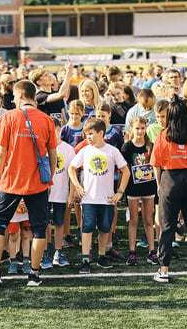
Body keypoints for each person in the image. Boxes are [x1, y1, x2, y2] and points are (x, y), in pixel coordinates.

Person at [0, 80, 57, 287]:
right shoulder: (46, 120)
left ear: (21, 96)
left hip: (10, 180)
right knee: (39, 228)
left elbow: (1, 151)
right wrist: (48, 178)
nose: (13, 100)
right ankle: (33, 274)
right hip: (38, 182)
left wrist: (0, 173)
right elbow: (53, 154)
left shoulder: (8, 117)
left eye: (14, 97)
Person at [150, 96, 187, 283]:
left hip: (170, 179)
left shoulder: (162, 136)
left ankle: (164, 270)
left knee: (167, 226)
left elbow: (156, 165)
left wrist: (160, 185)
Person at [68, 118, 130, 274]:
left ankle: (101, 256)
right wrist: (77, 186)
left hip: (107, 199)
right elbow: (71, 168)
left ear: (101, 133)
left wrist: (120, 192)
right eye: (86, 134)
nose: (88, 137)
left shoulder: (112, 151)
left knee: (104, 229)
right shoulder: (85, 150)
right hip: (89, 199)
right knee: (86, 229)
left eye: (91, 133)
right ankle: (85, 259)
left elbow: (126, 171)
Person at [121, 116, 158, 266]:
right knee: (134, 220)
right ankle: (132, 253)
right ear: (132, 129)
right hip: (133, 188)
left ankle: (152, 251)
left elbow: (156, 166)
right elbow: (124, 169)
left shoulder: (151, 145)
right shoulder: (127, 147)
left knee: (149, 220)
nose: (140, 131)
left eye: (142, 128)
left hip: (149, 186)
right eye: (137, 128)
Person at [48, 118, 75, 268]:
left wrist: (71, 194)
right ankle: (46, 251)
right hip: (44, 193)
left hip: (61, 192)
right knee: (45, 223)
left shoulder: (68, 149)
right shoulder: (42, 147)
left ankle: (58, 251)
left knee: (59, 223)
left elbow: (72, 174)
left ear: (59, 129)